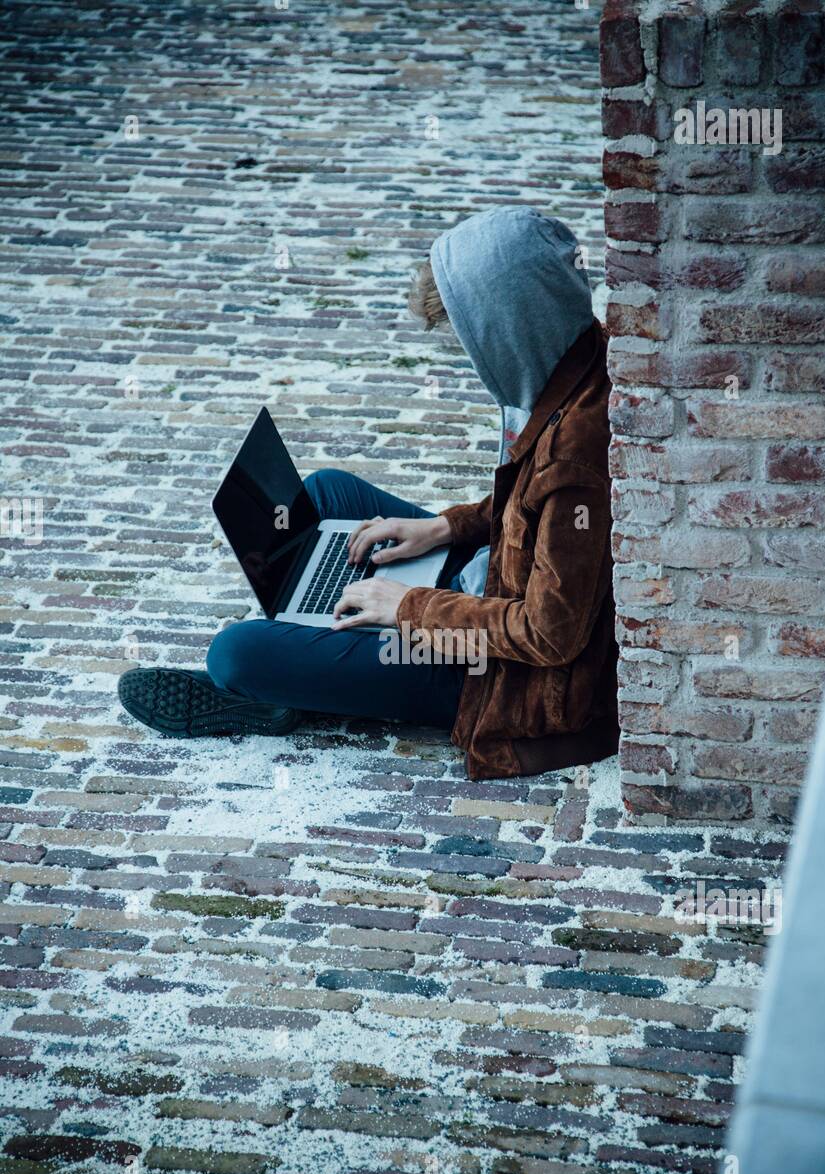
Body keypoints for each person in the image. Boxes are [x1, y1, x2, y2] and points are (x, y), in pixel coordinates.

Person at [118, 206, 619, 780]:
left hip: (497, 674)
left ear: (512, 324)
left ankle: (285, 674)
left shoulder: (576, 458)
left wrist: (403, 607)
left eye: (471, 338)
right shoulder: (577, 361)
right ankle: (310, 634)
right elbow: (528, 512)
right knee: (329, 495)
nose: (470, 357)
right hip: (492, 579)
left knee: (234, 655)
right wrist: (446, 527)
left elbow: (549, 635)